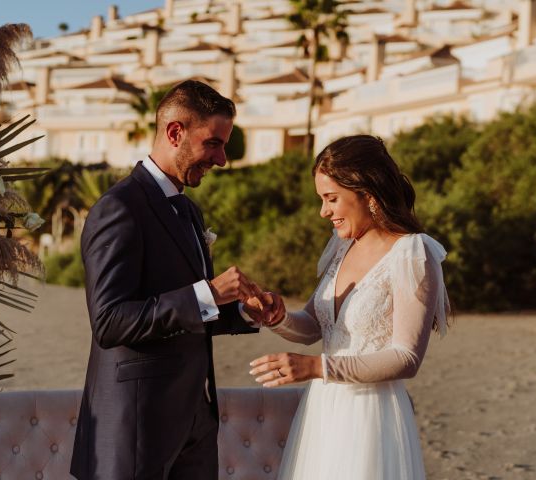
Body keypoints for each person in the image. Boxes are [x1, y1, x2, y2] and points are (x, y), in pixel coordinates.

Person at [71, 80, 266, 480]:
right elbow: (109, 321)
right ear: (175, 132)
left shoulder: (189, 212)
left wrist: (244, 312)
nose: (222, 159)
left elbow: (190, 312)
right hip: (136, 429)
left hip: (194, 425)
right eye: (213, 143)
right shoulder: (118, 208)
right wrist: (208, 293)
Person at [247, 135, 450, 479]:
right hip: (324, 408)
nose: (324, 211)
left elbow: (406, 358)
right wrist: (278, 317)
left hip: (372, 416)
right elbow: (314, 324)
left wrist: (316, 368)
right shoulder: (342, 248)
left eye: (331, 199)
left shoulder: (412, 253)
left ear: (367, 195)